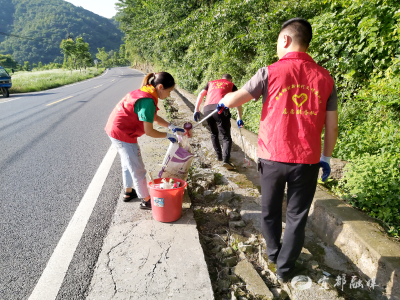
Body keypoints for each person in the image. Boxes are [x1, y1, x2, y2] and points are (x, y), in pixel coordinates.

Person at [218, 18, 339, 282]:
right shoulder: (326, 79)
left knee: (270, 210)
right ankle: (285, 270)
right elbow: (331, 128)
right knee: (297, 216)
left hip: (272, 156)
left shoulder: (269, 72)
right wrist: (326, 157)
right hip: (307, 161)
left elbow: (235, 99)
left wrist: (224, 98)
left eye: (277, 41)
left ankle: (273, 255)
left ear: (285, 40)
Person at [105, 72, 184, 210]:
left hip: (116, 129)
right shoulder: (148, 100)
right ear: (160, 87)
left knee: (127, 162)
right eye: (169, 91)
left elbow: (152, 116)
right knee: (138, 168)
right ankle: (146, 200)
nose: (169, 95)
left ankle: (128, 193)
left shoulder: (146, 92)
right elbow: (149, 131)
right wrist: (167, 136)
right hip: (123, 133)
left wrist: (171, 126)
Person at [194, 74, 244, 170]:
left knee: (214, 134)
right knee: (226, 137)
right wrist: (239, 117)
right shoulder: (231, 84)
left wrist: (196, 110)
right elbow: (238, 100)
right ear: (231, 79)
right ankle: (226, 160)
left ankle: (219, 156)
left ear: (221, 78)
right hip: (220, 109)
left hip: (207, 109)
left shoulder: (211, 83)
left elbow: (201, 94)